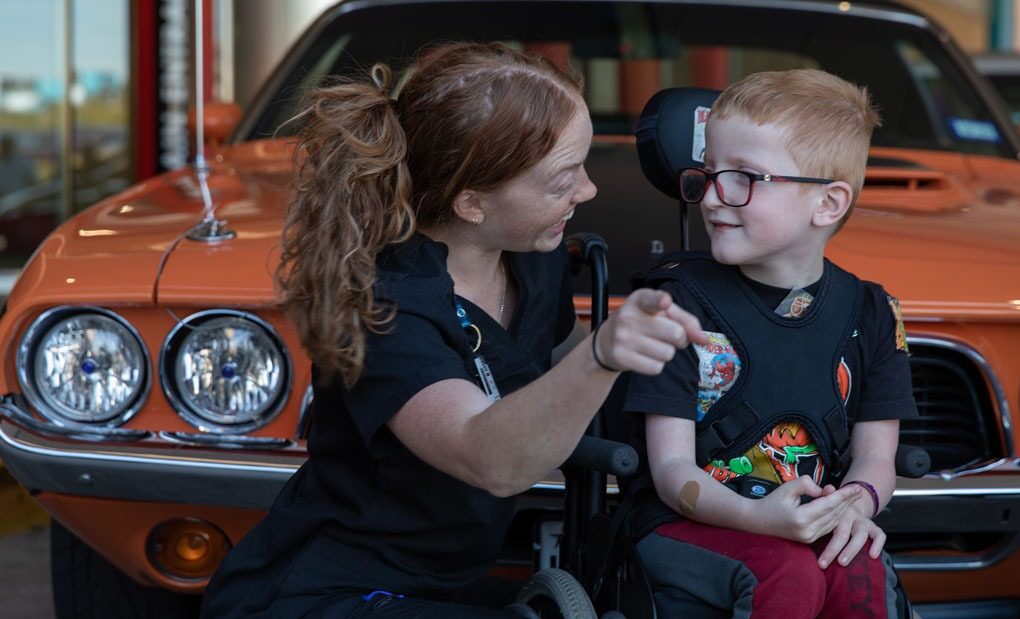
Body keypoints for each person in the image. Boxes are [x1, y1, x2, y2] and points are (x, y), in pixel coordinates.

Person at [200, 42, 705, 618]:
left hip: (449, 586)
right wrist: (602, 356)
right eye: (562, 180)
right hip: (327, 596)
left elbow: (568, 381)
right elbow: (488, 457)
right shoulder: (387, 306)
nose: (586, 192)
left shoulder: (530, 257)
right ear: (471, 203)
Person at [621, 69, 918, 618]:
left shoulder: (873, 313)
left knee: (860, 570)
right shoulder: (676, 305)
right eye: (708, 174)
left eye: (743, 178)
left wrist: (856, 505)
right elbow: (670, 473)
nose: (712, 197)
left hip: (804, 521)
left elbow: (878, 457)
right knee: (787, 571)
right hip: (684, 524)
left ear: (827, 204)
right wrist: (760, 519)